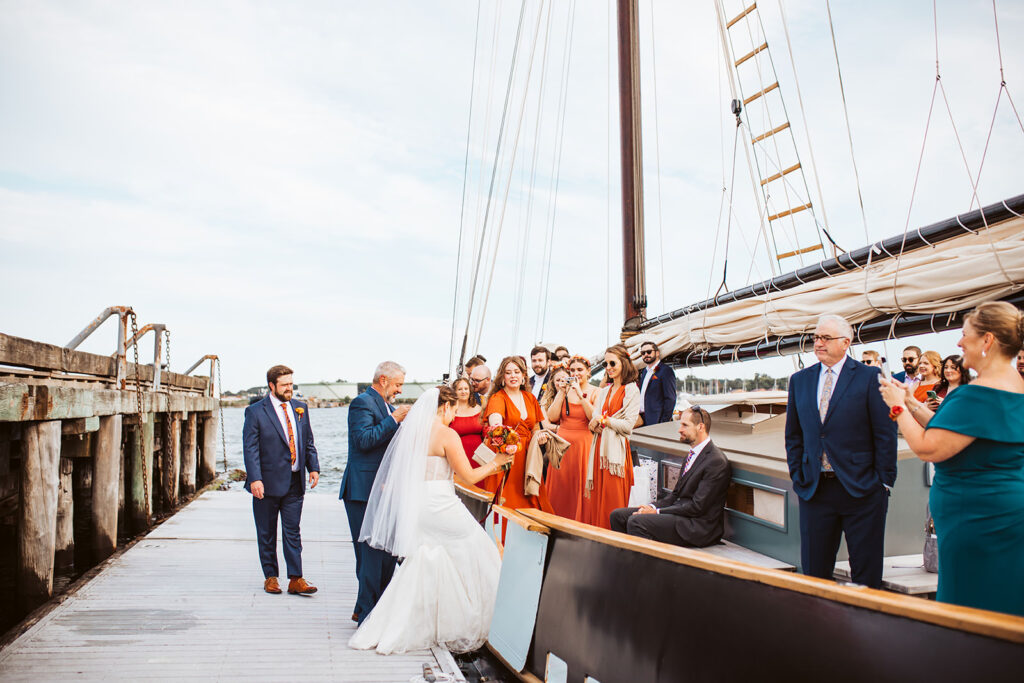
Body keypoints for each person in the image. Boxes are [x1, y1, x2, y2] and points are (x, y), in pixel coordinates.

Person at [879, 302, 1024, 616]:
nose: (959, 344)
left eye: (964, 335)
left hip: (975, 521)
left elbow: (928, 448)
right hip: (1007, 513)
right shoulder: (1017, 388)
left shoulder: (975, 394)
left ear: (987, 341)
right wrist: (910, 402)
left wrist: (896, 406)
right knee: (1007, 596)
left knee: (971, 603)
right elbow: (956, 431)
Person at [349, 386, 514, 653]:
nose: (454, 416)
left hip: (418, 505)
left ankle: (409, 622)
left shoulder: (412, 433)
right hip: (441, 503)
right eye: (454, 410)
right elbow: (469, 477)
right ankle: (479, 620)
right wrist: (498, 462)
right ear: (446, 407)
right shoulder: (447, 434)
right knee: (478, 546)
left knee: (427, 560)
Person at [784, 315, 897, 588]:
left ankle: (864, 628)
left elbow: (885, 433)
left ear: (846, 343)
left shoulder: (870, 377)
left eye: (826, 338)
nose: (818, 343)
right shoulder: (800, 380)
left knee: (866, 575)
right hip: (815, 489)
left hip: (862, 489)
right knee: (814, 575)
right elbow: (794, 435)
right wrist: (798, 475)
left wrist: (883, 482)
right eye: (816, 337)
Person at [339, 361, 410, 624]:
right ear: (383, 380)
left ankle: (366, 608)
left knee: (384, 554)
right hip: (362, 490)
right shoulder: (362, 403)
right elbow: (364, 440)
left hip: (384, 490)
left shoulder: (387, 406)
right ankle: (368, 615)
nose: (400, 390)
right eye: (398, 384)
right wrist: (394, 419)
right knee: (369, 553)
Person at [243, 365, 321, 595]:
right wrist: (255, 479)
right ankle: (271, 577)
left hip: (295, 482)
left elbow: (307, 441)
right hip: (266, 484)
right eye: (285, 385)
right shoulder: (256, 412)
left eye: (291, 384)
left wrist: (313, 467)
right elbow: (250, 449)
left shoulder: (301, 408)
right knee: (266, 532)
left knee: (292, 531)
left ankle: (296, 578)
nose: (290, 388)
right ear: (271, 386)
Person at [610, 406, 731, 546]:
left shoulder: (716, 461)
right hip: (682, 516)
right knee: (618, 516)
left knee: (636, 522)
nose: (680, 429)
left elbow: (697, 507)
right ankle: (626, 560)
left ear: (701, 427)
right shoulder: (690, 456)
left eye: (685, 425)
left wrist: (657, 512)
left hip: (698, 527)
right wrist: (650, 507)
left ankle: (644, 566)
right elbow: (674, 496)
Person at [582, 345, 642, 529]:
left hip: (616, 456)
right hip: (599, 450)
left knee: (613, 499)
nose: (608, 367)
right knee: (598, 497)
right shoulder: (605, 391)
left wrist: (604, 421)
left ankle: (612, 537)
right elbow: (594, 419)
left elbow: (627, 426)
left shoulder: (631, 390)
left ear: (624, 363)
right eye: (606, 363)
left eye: (612, 363)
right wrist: (598, 421)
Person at [484, 356, 552, 512]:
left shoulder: (530, 398)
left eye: (516, 372)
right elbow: (496, 426)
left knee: (531, 500)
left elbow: (535, 428)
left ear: (523, 376)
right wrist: (507, 441)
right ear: (502, 377)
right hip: (507, 454)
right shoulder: (497, 398)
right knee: (508, 500)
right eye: (508, 372)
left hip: (529, 457)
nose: (513, 376)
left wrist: (540, 437)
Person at [543, 357, 596, 520]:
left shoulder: (596, 391)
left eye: (580, 370)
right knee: (561, 486)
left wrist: (581, 396)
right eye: (572, 371)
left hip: (583, 444)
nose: (576, 374)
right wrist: (561, 392)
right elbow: (552, 417)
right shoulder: (565, 391)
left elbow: (593, 418)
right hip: (562, 445)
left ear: (588, 371)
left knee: (579, 485)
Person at [637, 340, 677, 426]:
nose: (646, 355)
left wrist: (663, 422)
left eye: (649, 352)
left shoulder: (666, 371)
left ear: (657, 353)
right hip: (642, 419)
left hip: (656, 420)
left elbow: (670, 398)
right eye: (643, 353)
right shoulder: (644, 372)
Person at [451, 377, 485, 473]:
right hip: (458, 454)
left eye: (466, 389)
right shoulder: (451, 411)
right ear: (455, 392)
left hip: (478, 455)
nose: (463, 392)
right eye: (460, 389)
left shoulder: (478, 408)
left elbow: (486, 432)